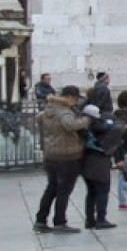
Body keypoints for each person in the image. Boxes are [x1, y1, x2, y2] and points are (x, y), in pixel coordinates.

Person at [36, 86, 87, 234]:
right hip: (67, 156)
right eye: (76, 99)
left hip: (51, 155)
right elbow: (69, 125)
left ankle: (40, 220)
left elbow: (39, 118)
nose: (76, 102)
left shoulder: (49, 110)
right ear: (71, 98)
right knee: (63, 190)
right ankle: (59, 222)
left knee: (51, 188)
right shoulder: (64, 112)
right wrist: (86, 120)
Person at [79, 105, 119, 230]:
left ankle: (90, 220)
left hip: (86, 161)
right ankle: (101, 219)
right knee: (103, 190)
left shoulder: (82, 126)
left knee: (91, 192)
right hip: (98, 161)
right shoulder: (99, 126)